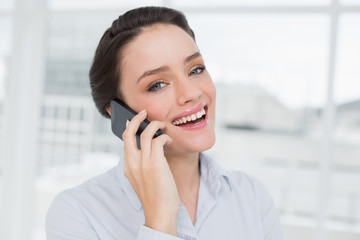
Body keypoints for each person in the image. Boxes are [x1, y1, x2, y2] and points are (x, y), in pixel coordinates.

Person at [46, 6, 283, 240]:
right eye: (157, 84)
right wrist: (160, 219)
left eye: (196, 69)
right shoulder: (78, 214)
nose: (190, 92)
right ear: (119, 113)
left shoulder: (252, 198)